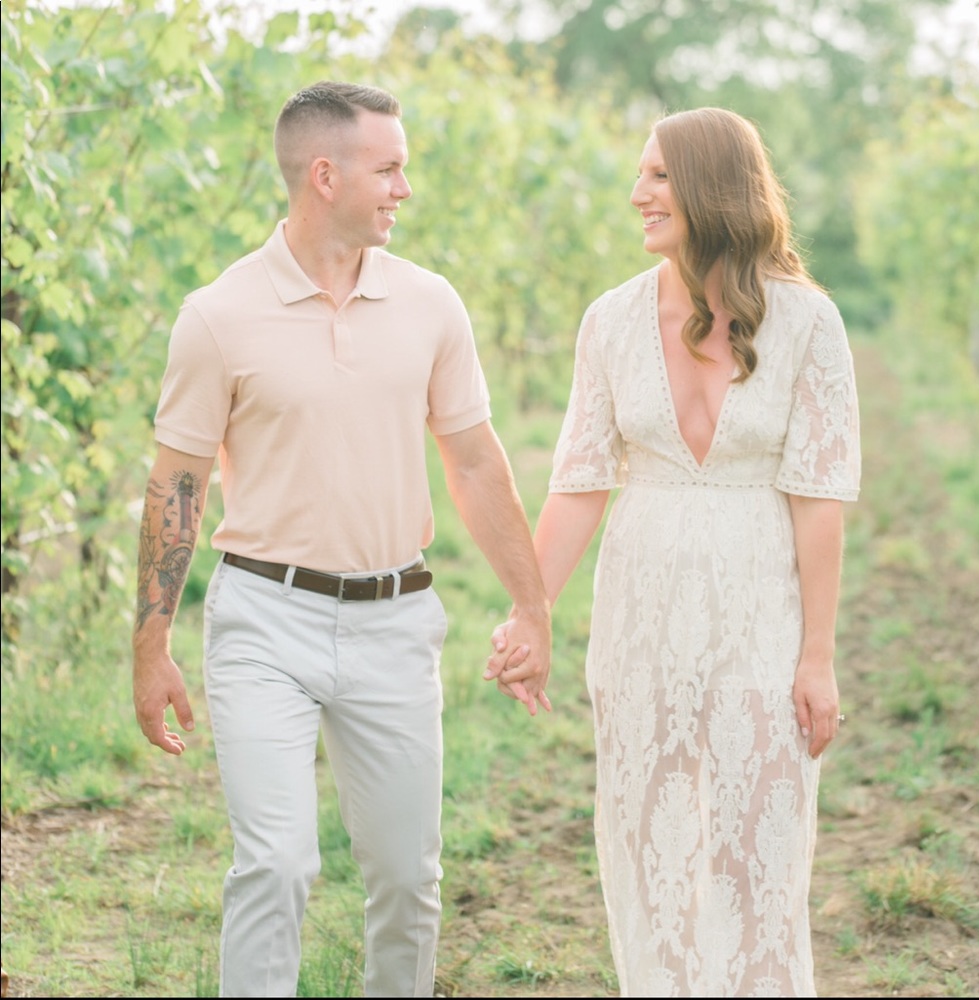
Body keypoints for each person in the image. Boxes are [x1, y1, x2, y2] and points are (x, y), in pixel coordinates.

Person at [131, 80, 552, 999]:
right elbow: (177, 486)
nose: (405, 187)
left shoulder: (432, 305)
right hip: (262, 621)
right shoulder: (218, 315)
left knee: (408, 880)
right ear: (325, 175)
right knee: (275, 866)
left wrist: (532, 605)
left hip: (395, 622)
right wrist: (150, 644)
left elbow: (477, 465)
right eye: (390, 168)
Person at [489, 107, 861, 996]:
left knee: (761, 849)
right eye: (640, 174)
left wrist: (817, 658)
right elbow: (579, 484)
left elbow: (819, 500)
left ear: (710, 186)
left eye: (658, 176)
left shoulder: (809, 322)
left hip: (758, 604)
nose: (637, 194)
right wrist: (529, 614)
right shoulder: (609, 321)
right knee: (649, 841)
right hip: (641, 607)